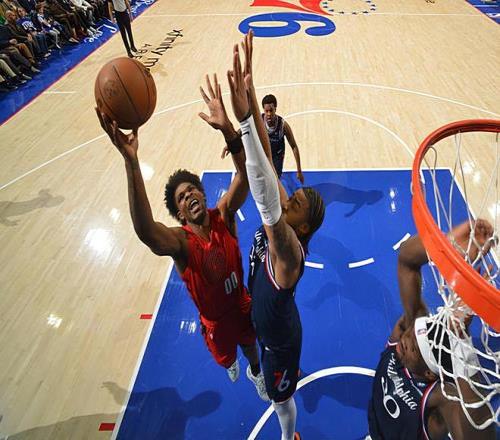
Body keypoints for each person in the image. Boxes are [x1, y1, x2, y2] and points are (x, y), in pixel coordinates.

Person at [95, 74, 269, 402]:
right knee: (226, 358)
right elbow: (146, 232)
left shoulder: (224, 214)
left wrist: (228, 130)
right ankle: (231, 362)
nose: (189, 195)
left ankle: (256, 372)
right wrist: (131, 162)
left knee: (251, 346)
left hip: (240, 303)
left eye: (192, 190)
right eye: (181, 197)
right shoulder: (182, 243)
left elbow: (246, 175)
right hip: (215, 322)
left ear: (202, 194)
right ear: (180, 213)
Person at [227, 31, 325, 440]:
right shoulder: (288, 221)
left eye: (295, 202)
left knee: (280, 400)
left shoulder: (288, 250)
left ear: (302, 227)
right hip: (269, 319)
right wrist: (251, 89)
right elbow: (268, 162)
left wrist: (243, 123)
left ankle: (289, 437)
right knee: (272, 388)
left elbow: (265, 193)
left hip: (279, 342)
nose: (289, 197)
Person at [367, 219, 496, 440]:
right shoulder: (405, 335)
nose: (404, 340)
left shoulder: (439, 398)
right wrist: (449, 247)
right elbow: (407, 259)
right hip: (375, 426)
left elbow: (481, 435)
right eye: (410, 334)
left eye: (412, 348)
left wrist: (461, 344)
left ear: (428, 372)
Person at [261, 94, 304, 184]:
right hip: (264, 153)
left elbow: (294, 146)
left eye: (271, 110)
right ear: (263, 110)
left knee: (275, 180)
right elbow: (244, 129)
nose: (269, 114)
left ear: (275, 109)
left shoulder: (283, 125)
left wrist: (299, 170)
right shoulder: (259, 120)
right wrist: (234, 139)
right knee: (263, 179)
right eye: (266, 111)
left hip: (277, 155)